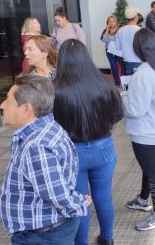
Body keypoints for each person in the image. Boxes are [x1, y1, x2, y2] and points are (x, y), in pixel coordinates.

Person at [0, 75, 91, 245]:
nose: (2, 105)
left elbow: (56, 194)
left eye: (8, 101)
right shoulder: (46, 126)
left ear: (26, 108)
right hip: (47, 230)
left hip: (43, 235)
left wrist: (77, 204)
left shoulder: (36, 145)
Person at [53, 40, 123, 245]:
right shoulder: (104, 84)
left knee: (80, 201)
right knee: (103, 196)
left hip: (72, 152)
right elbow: (118, 114)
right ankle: (107, 238)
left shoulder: (56, 90)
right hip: (104, 148)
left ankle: (81, 242)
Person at [121, 29, 155, 231]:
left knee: (153, 172)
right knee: (149, 166)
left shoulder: (143, 74)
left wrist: (122, 98)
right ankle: (144, 199)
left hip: (146, 132)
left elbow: (135, 110)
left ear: (137, 48)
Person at [115, 6, 142, 75]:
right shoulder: (140, 30)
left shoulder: (121, 30)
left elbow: (118, 47)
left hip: (125, 60)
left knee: (128, 82)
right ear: (136, 17)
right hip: (139, 61)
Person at [101, 15, 123, 86]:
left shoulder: (120, 30)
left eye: (113, 21)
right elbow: (104, 40)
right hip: (110, 52)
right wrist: (107, 30)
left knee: (123, 67)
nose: (112, 23)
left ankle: (124, 82)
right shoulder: (106, 30)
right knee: (114, 67)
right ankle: (117, 83)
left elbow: (122, 40)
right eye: (110, 21)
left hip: (119, 51)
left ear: (116, 22)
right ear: (107, 23)